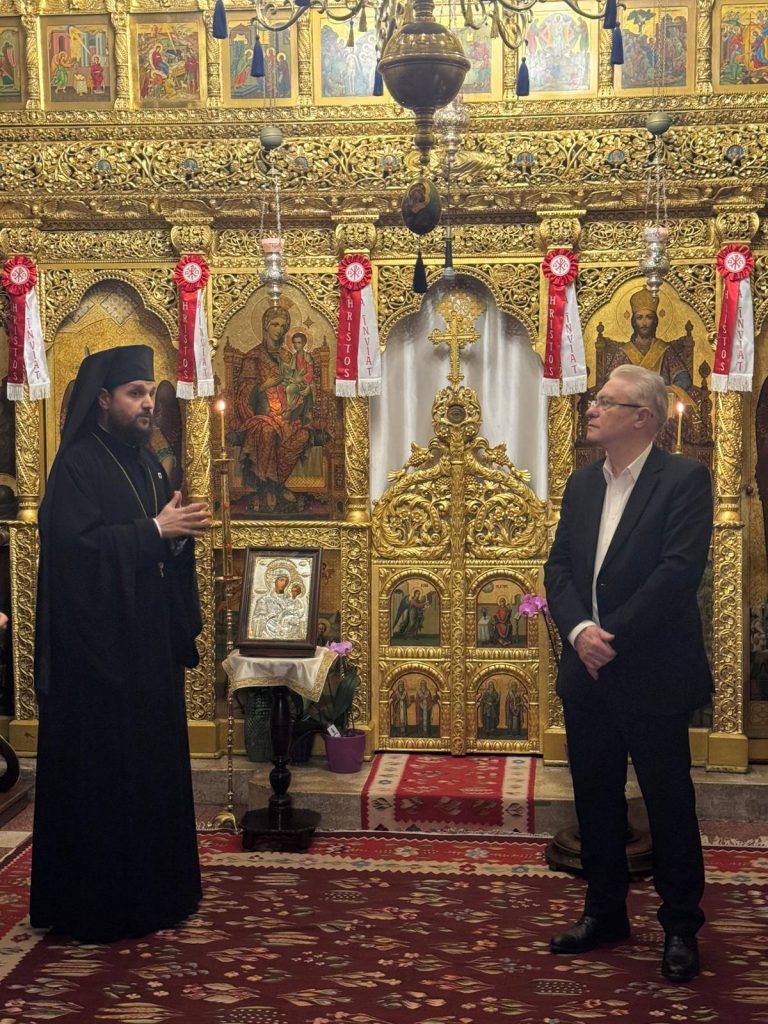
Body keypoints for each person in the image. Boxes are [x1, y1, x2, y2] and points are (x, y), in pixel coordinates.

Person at [30, 344, 210, 944]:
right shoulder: (78, 467)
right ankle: (102, 907)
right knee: (108, 779)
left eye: (151, 393)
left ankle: (160, 893)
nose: (148, 404)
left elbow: (155, 542)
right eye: (136, 393)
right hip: (98, 660)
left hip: (146, 649)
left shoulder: (149, 463)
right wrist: (154, 530)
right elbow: (75, 555)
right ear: (103, 399)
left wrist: (175, 538)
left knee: (152, 770)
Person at [544, 363, 712, 984]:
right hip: (587, 671)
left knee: (668, 802)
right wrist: (578, 633)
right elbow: (559, 568)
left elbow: (677, 573)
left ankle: (680, 926)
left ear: (642, 417)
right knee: (595, 799)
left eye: (605, 402)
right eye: (594, 401)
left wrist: (608, 636)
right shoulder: (582, 484)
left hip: (651, 671)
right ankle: (605, 912)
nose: (591, 409)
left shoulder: (684, 480)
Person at [234, 305, 311, 511]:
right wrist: (264, 386)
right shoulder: (253, 357)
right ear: (266, 326)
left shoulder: (288, 357)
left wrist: (302, 392)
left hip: (286, 414)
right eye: (275, 324)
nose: (280, 330)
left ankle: (276, 484)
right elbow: (243, 394)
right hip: (261, 416)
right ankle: (269, 489)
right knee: (267, 432)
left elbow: (297, 382)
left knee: (303, 434)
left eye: (284, 326)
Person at [601, 288, 692, 391]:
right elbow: (610, 381)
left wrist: (666, 391)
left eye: (649, 317)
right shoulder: (624, 352)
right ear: (634, 322)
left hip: (659, 399)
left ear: (655, 321)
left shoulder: (664, 349)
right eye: (639, 318)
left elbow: (684, 379)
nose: (644, 323)